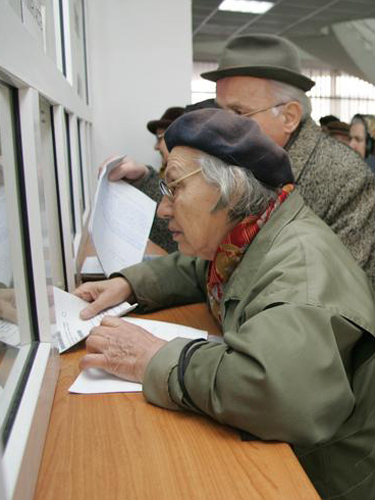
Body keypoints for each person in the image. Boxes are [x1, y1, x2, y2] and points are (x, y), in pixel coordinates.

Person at [75, 108, 375, 500]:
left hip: (328, 475)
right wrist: (129, 284)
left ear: (230, 190)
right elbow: (201, 268)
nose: (164, 210)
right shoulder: (255, 233)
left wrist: (155, 358)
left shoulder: (300, 273)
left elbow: (277, 395)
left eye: (174, 187)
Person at [126, 34, 375, 290]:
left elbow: (339, 293)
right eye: (219, 111)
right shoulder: (239, 163)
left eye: (238, 113)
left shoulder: (348, 178)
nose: (223, 123)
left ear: (289, 117)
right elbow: (195, 243)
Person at [100, 107, 185, 253]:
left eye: (160, 138)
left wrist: (144, 178)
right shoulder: (165, 172)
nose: (156, 146)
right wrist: (143, 177)